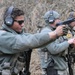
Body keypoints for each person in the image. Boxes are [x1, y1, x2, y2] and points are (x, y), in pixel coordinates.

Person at [0, 6, 66, 75]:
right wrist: (55, 34)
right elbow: (29, 41)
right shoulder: (3, 37)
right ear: (9, 21)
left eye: (23, 22)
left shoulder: (18, 34)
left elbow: (34, 38)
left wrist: (55, 35)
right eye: (20, 22)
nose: (22, 25)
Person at [38, 10, 75, 75]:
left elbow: (65, 47)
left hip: (61, 67)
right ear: (51, 20)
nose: (59, 20)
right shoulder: (46, 32)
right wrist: (68, 42)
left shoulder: (57, 31)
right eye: (57, 19)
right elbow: (54, 49)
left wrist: (71, 44)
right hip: (53, 69)